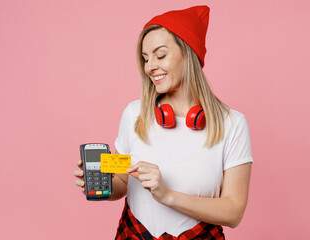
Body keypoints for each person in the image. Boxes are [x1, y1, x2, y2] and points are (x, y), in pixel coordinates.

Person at [73, 5, 253, 240]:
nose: (150, 67)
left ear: (188, 54)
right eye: (146, 59)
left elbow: (234, 212)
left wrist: (167, 195)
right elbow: (122, 182)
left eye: (160, 55)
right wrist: (100, 186)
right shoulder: (133, 114)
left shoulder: (233, 123)